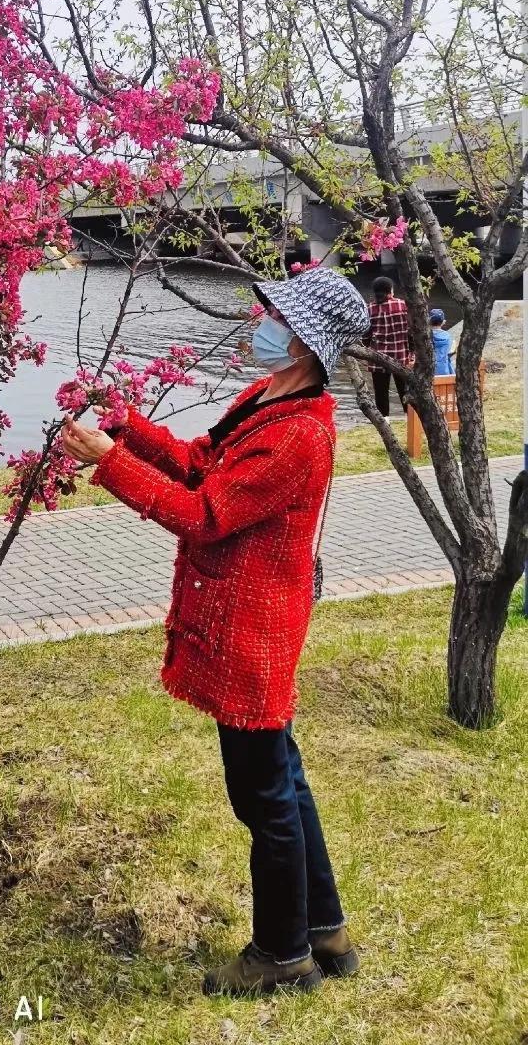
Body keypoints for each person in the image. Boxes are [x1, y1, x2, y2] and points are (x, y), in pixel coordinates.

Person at [60, 267, 371, 997]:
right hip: (249, 621)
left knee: (262, 796)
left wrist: (110, 466)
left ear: (302, 342)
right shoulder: (268, 398)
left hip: (253, 632)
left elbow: (205, 512)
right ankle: (325, 929)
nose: (260, 321)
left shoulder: (299, 434)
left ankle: (280, 954)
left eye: (274, 315)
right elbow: (202, 463)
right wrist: (128, 428)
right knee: (283, 780)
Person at [365, 276, 412, 418]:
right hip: (401, 356)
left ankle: (385, 421)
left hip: (378, 358)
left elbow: (366, 336)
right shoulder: (403, 305)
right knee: (405, 390)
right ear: (390, 290)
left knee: (381, 393)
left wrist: (367, 346)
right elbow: (411, 331)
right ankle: (409, 418)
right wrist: (412, 352)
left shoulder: (369, 309)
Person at [429, 307, 454, 377]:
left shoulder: (426, 336)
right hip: (444, 370)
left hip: (429, 371)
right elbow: (450, 351)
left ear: (429, 321)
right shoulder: (447, 335)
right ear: (443, 322)